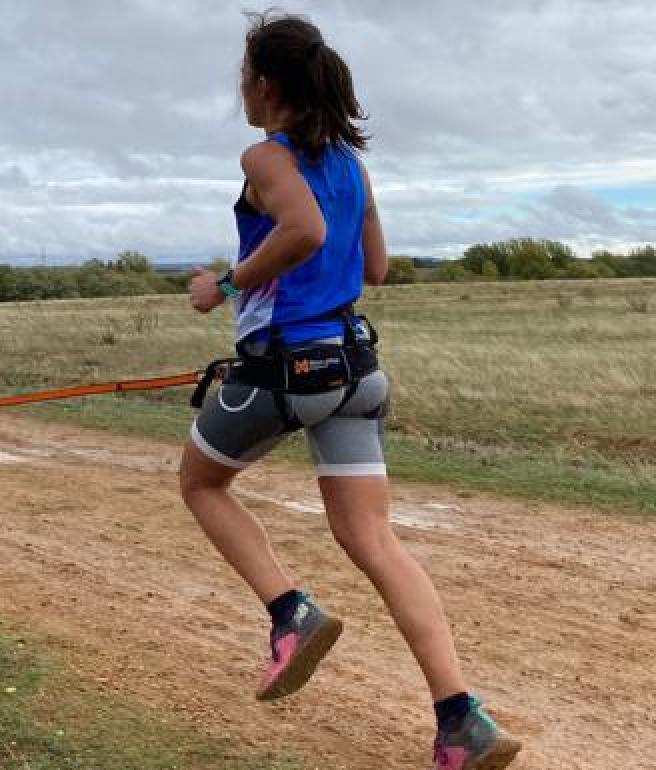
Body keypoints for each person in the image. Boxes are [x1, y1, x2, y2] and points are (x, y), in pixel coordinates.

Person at [180, 12, 521, 770]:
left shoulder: (265, 158)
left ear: (265, 84)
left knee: (201, 483)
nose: (240, 88)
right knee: (375, 541)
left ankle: (288, 611)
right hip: (356, 370)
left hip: (287, 371)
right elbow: (377, 267)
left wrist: (226, 283)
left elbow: (302, 230)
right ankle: (461, 720)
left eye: (244, 75)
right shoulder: (350, 164)